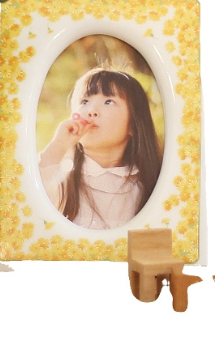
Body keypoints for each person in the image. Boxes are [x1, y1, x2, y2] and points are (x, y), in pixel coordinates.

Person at [39, 68, 162, 229]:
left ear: (133, 124)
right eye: (84, 102)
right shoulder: (63, 176)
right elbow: (27, 195)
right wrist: (59, 145)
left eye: (108, 101)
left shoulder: (150, 186)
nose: (91, 111)